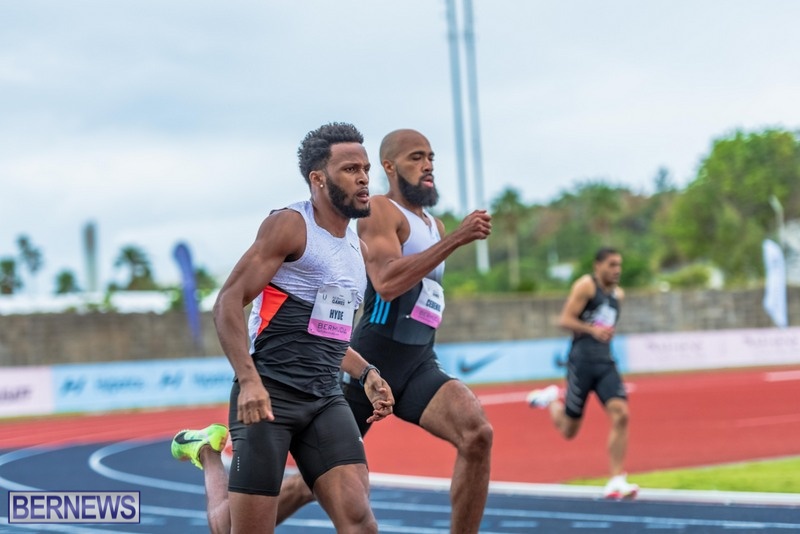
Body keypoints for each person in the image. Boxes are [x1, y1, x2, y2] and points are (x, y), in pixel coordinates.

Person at [170, 122, 394, 534]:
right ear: (318, 179)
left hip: (325, 398)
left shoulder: (356, 249)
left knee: (360, 521)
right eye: (350, 169)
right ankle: (207, 453)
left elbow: (326, 334)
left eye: (365, 168)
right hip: (269, 395)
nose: (364, 178)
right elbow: (227, 302)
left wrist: (366, 373)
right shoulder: (291, 226)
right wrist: (249, 381)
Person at [276, 128, 494, 533]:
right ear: (390, 167)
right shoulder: (380, 210)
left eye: (431, 157)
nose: (427, 165)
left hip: (418, 362)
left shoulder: (434, 224)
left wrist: (449, 237)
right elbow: (388, 282)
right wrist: (458, 239)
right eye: (416, 157)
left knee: (476, 432)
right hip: (370, 364)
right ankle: (237, 525)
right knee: (312, 483)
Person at [526, 247, 639, 499]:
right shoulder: (586, 286)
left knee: (621, 414)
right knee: (569, 430)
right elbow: (564, 320)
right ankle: (551, 400)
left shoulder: (618, 295)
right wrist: (592, 330)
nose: (617, 270)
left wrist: (603, 333)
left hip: (606, 362)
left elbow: (606, 325)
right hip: (581, 363)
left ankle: (616, 479)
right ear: (598, 266)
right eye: (611, 265)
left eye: (619, 265)